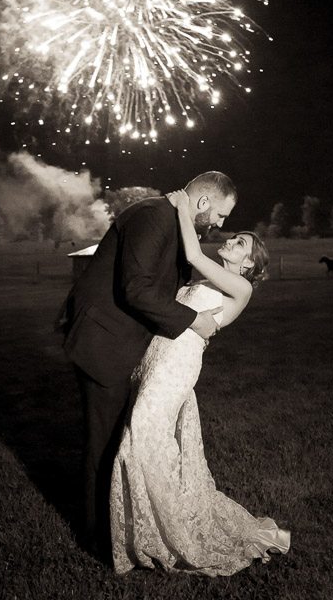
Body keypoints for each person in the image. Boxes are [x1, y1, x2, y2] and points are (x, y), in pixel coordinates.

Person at [109, 189, 290, 576]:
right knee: (141, 436)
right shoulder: (206, 276)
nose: (229, 239)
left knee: (144, 434)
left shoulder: (239, 290)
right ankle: (148, 526)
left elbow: (192, 253)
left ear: (248, 264)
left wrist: (181, 207)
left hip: (178, 365)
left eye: (239, 242)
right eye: (232, 235)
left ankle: (167, 531)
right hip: (157, 356)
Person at [58, 172, 238, 559]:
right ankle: (99, 541)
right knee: (103, 442)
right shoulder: (153, 215)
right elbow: (136, 288)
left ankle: (122, 528)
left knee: (121, 439)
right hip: (103, 340)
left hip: (128, 343)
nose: (221, 225)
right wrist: (194, 320)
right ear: (204, 202)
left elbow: (172, 278)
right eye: (221, 215)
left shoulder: (175, 220)